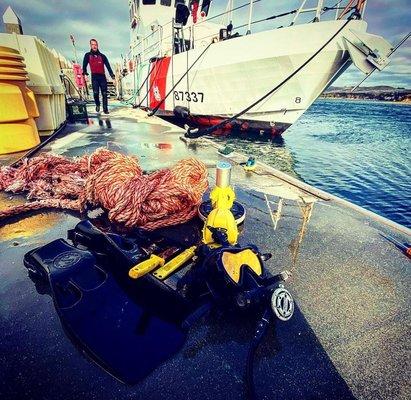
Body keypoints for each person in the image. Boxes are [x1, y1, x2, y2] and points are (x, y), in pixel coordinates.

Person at [82, 39, 115, 114]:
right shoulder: (87, 55)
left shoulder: (103, 56)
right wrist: (85, 74)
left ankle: (105, 109)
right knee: (95, 93)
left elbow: (108, 67)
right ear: (90, 45)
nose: (94, 46)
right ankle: (97, 104)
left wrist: (112, 76)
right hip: (94, 77)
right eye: (93, 44)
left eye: (95, 44)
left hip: (102, 77)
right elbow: (84, 66)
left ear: (97, 45)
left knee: (104, 93)